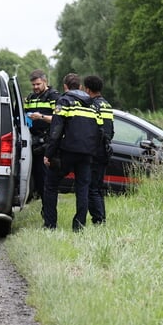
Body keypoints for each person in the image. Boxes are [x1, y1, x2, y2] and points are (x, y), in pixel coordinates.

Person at [42, 73, 101, 231]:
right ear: (81, 87)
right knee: (83, 188)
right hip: (87, 153)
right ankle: (79, 226)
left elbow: (56, 130)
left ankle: (50, 225)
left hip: (67, 151)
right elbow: (99, 130)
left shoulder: (64, 101)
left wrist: (48, 154)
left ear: (65, 87)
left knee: (51, 184)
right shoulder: (93, 104)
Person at [83, 75, 114, 225]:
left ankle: (99, 220)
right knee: (98, 187)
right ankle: (101, 218)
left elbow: (91, 130)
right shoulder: (107, 105)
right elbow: (110, 131)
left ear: (87, 89)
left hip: (95, 151)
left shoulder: (93, 106)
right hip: (105, 150)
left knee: (92, 188)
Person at [24, 69, 59, 198]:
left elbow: (58, 119)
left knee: (45, 177)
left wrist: (41, 117)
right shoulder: (30, 97)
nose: (35, 87)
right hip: (32, 140)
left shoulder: (53, 96)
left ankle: (47, 205)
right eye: (33, 85)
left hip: (47, 141)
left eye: (38, 84)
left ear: (45, 81)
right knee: (36, 175)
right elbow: (25, 115)